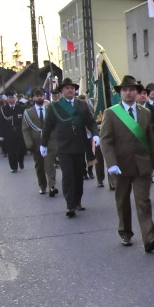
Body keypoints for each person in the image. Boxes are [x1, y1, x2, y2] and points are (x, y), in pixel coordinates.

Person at [100, 76, 154, 252]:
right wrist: (111, 163)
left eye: (132, 89)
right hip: (121, 166)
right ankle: (125, 232)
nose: (128, 93)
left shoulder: (145, 112)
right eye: (125, 90)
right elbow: (106, 141)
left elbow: (150, 140)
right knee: (123, 201)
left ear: (137, 92)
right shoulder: (111, 113)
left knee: (144, 201)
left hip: (142, 165)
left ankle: (149, 237)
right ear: (120, 92)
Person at [41, 78, 99, 218]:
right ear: (61, 91)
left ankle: (77, 200)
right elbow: (47, 127)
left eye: (72, 88)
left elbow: (91, 122)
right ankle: (70, 205)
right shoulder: (54, 107)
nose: (70, 90)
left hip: (79, 146)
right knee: (68, 175)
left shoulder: (82, 105)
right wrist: (43, 144)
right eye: (67, 88)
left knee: (79, 175)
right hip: (64, 147)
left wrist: (95, 135)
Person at [22, 88, 57, 196]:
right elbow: (25, 129)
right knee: (39, 166)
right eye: (37, 96)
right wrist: (29, 144)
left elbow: (56, 126)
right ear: (33, 98)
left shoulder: (50, 110)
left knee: (50, 165)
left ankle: (52, 186)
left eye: (41, 95)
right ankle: (42, 185)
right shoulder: (28, 113)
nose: (39, 97)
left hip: (50, 142)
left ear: (44, 96)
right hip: (36, 143)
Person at [0, 93, 26, 173]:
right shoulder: (3, 109)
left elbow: (25, 121)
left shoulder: (21, 108)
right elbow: (0, 123)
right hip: (8, 133)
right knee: (11, 151)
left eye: (13, 97)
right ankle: (14, 167)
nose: (12, 99)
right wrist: (0, 134)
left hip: (20, 133)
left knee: (21, 149)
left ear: (15, 98)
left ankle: (20, 161)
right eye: (10, 98)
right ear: (7, 99)